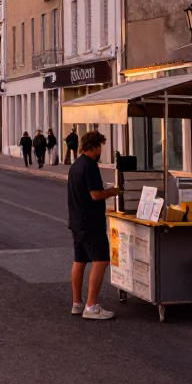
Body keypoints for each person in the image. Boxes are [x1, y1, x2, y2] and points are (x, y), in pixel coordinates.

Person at [68, 130, 122, 320]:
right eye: (100, 146)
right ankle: (91, 306)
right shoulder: (90, 166)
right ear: (94, 147)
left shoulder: (75, 165)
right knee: (101, 261)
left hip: (76, 221)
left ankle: (77, 303)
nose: (101, 150)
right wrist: (114, 191)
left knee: (80, 261)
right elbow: (95, 194)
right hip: (91, 222)